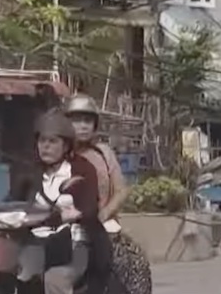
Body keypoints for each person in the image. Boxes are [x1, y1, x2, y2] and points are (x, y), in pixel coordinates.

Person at [66, 94, 151, 294]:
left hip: (104, 229)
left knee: (136, 262)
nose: (83, 126)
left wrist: (104, 214)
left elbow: (121, 190)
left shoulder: (104, 153)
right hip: (67, 231)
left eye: (87, 120)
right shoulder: (59, 153)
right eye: (76, 120)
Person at [15, 110, 107, 294]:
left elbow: (89, 209)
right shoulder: (30, 172)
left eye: (52, 141)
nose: (46, 147)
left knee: (55, 279)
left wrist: (64, 216)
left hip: (73, 245)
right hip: (37, 244)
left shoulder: (83, 169)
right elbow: (13, 202)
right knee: (20, 276)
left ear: (66, 146)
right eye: (42, 141)